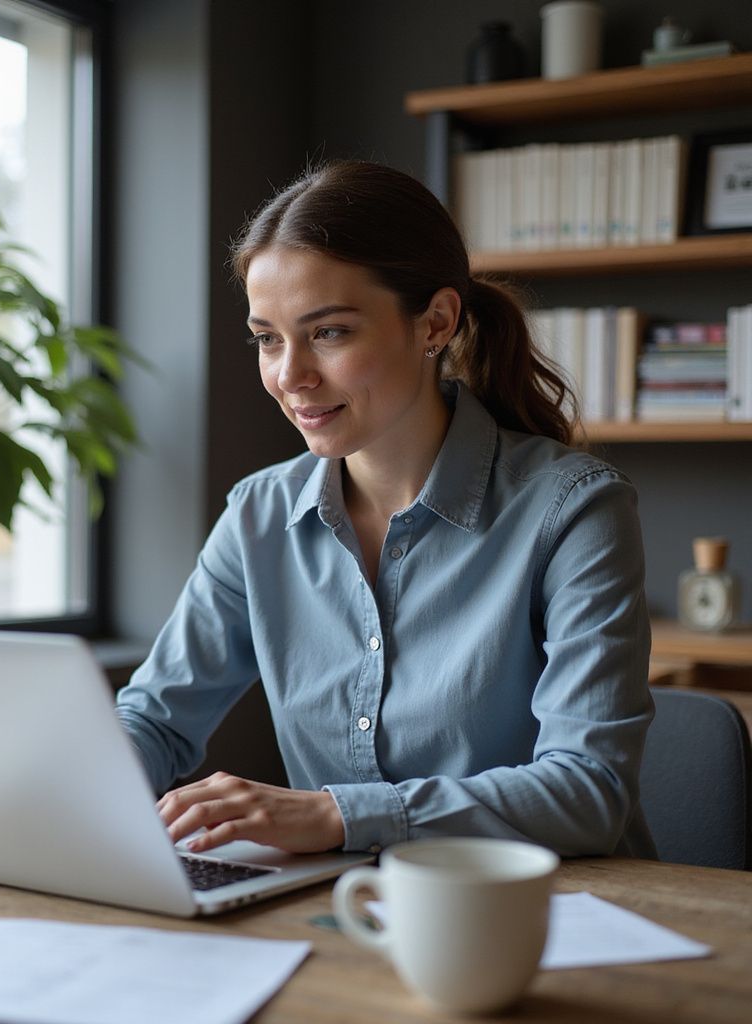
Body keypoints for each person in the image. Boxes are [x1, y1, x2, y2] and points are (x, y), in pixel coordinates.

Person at [115, 160, 655, 860]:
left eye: (330, 332)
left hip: (555, 917)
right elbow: (156, 720)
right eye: (268, 338)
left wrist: (337, 815)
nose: (290, 376)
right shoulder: (257, 516)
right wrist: (57, 794)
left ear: (435, 322)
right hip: (350, 909)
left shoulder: (575, 511)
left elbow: (588, 791)